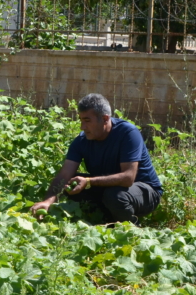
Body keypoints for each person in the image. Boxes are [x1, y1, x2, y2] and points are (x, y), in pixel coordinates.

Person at [31, 93, 162, 223]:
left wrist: (88, 181)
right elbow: (64, 175)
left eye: (87, 121)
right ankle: (103, 221)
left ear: (105, 119)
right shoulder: (82, 140)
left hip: (144, 192)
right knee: (69, 184)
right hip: (108, 189)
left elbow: (128, 178)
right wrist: (47, 201)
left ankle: (131, 231)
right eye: (81, 120)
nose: (82, 127)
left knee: (116, 195)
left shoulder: (128, 133)